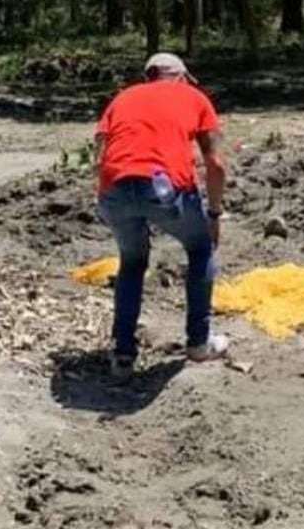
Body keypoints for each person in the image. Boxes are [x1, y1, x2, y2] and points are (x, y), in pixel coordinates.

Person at [95, 52, 229, 377]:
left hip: (114, 187)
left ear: (148, 77)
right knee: (200, 249)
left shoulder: (122, 99)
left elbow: (99, 156)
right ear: (182, 77)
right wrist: (213, 214)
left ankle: (123, 356)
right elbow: (216, 163)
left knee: (132, 264)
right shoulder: (194, 97)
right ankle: (199, 343)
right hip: (165, 188)